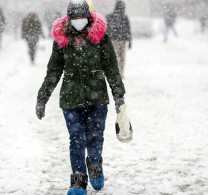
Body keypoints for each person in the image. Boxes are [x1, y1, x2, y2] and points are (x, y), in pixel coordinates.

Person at [36, 0, 126, 194]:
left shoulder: (101, 38)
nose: (78, 21)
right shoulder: (62, 40)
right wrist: (42, 98)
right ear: (69, 19)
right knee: (76, 139)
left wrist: (119, 98)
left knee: (95, 138)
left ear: (88, 17)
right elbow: (53, 71)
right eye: (75, 18)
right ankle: (78, 181)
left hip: (97, 99)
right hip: (70, 99)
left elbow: (112, 69)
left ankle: (94, 164)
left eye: (81, 17)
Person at [106, 0, 132, 79]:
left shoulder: (110, 16)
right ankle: (121, 73)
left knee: (114, 57)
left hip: (113, 40)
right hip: (122, 40)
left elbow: (106, 29)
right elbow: (128, 29)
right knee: (122, 58)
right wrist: (130, 41)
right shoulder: (125, 17)